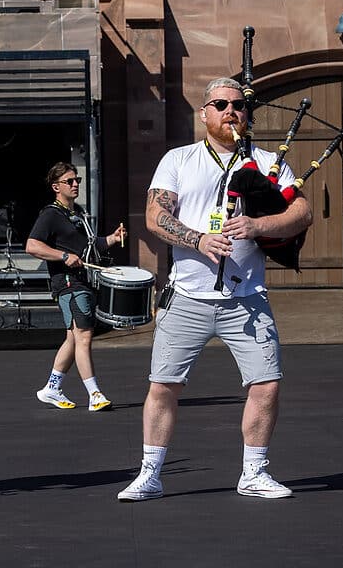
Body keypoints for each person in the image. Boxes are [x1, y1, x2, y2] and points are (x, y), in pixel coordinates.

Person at [117, 77, 312, 502]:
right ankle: (150, 473)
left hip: (247, 299)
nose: (231, 111)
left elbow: (302, 211)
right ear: (204, 113)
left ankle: (254, 472)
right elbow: (155, 216)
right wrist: (198, 239)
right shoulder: (180, 159)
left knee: (266, 384)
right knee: (164, 385)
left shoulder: (265, 162)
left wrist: (260, 225)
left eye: (239, 105)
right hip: (187, 296)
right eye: (220, 104)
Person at [25, 162, 126, 411]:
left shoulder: (77, 213)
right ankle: (95, 394)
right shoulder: (50, 214)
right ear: (56, 186)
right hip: (69, 283)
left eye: (77, 180)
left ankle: (52, 387)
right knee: (84, 335)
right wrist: (62, 256)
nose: (75, 184)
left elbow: (88, 248)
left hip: (83, 281)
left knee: (72, 338)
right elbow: (32, 246)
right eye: (69, 181)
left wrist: (111, 239)